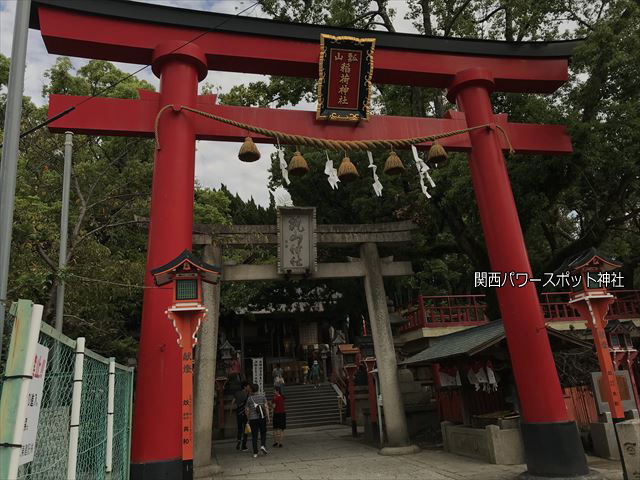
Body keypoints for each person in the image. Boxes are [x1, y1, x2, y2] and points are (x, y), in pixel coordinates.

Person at [246, 383, 270, 458]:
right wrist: (268, 417)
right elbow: (266, 407)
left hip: (253, 419)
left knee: (254, 435)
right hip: (262, 417)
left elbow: (247, 410)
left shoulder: (249, 398)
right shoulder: (262, 397)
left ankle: (255, 453)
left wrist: (248, 419)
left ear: (251, 390)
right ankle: (263, 445)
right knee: (263, 432)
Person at [231, 381, 250, 451]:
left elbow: (233, 402)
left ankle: (239, 441)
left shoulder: (237, 393)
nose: (249, 387)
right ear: (244, 386)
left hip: (238, 413)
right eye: (248, 386)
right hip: (245, 414)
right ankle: (244, 445)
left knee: (239, 429)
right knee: (245, 429)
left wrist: (231, 411)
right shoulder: (247, 394)